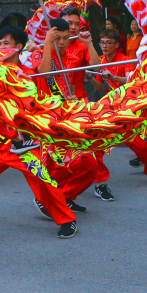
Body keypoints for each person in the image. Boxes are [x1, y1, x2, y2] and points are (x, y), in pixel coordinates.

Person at [0, 27, 78, 239]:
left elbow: (45, 81)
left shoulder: (28, 75)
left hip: (25, 144)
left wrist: (47, 43)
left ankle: (67, 219)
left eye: (6, 44)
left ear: (19, 48)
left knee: (44, 181)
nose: (0, 47)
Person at [90, 30, 147, 192]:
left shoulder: (125, 60)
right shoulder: (100, 61)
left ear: (117, 45)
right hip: (109, 111)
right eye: (102, 43)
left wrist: (113, 77)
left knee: (141, 145)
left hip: (128, 109)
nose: (104, 46)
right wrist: (91, 76)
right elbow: (98, 87)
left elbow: (129, 80)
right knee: (96, 145)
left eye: (108, 43)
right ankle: (99, 181)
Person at [35, 19, 96, 212]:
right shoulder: (40, 52)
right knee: (56, 165)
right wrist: (46, 44)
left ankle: (64, 196)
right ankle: (47, 196)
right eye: (57, 38)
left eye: (65, 38)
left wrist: (89, 44)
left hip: (73, 112)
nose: (61, 42)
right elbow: (44, 74)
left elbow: (97, 67)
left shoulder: (76, 50)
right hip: (47, 120)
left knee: (90, 163)